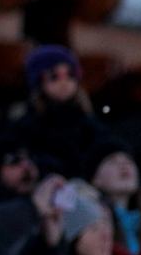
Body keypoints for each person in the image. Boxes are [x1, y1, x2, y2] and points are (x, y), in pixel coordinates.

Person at [16, 47, 108, 180]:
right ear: (39, 82)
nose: (64, 82)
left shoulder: (89, 123)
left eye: (70, 75)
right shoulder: (28, 125)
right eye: (54, 77)